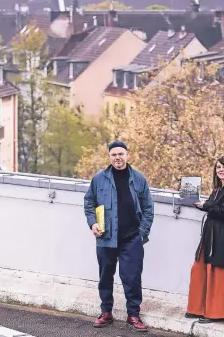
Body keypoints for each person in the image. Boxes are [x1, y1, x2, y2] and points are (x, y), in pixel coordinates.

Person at [83, 141, 154, 332]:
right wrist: (93, 223)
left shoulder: (139, 179)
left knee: (132, 278)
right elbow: (89, 202)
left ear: (127, 155)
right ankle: (106, 312)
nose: (117, 158)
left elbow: (148, 208)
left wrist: (142, 233)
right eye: (113, 154)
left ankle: (133, 315)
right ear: (109, 157)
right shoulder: (99, 179)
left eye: (121, 154)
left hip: (132, 238)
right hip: (106, 238)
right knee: (105, 276)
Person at [186, 156, 224, 323]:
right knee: (200, 269)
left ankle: (215, 313)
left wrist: (205, 205)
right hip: (210, 232)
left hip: (223, 234)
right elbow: (212, 206)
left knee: (218, 272)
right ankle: (198, 308)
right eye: (218, 167)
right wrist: (197, 202)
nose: (221, 170)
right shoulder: (218, 188)